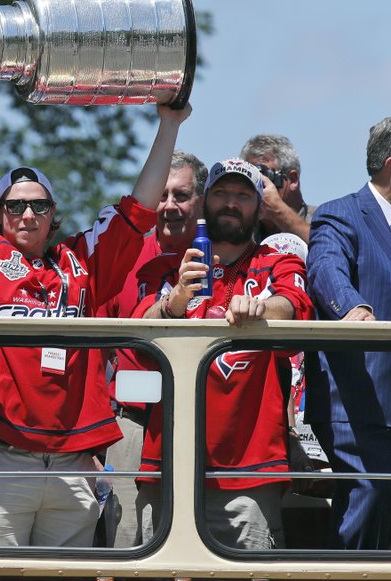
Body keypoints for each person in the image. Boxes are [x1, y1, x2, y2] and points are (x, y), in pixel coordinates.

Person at [0, 76, 190, 547]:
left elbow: (138, 211)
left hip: (74, 459)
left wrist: (169, 125)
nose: (27, 215)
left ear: (53, 213)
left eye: (39, 206)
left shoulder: (82, 260)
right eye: (16, 206)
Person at [133, 158, 315, 549]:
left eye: (242, 195)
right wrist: (176, 298)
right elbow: (140, 338)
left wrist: (262, 309)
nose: (231, 203)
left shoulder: (278, 264)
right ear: (203, 203)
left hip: (249, 469)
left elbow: (297, 305)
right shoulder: (170, 268)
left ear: (259, 207)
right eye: (221, 193)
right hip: (168, 465)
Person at [305, 115, 391, 549]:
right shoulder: (340, 215)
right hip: (358, 398)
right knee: (366, 500)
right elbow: (325, 267)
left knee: (389, 521)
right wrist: (353, 308)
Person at [99, 149, 208, 547]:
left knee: (194, 546)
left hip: (197, 423)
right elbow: (94, 347)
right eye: (162, 196)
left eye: (181, 195)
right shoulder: (124, 253)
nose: (169, 206)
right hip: (130, 421)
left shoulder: (221, 255)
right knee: (127, 542)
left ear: (201, 198)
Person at [240, 134, 315, 241]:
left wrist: (277, 210)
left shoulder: (323, 220)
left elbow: (326, 246)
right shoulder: (243, 228)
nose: (256, 185)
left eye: (264, 174)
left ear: (293, 179)